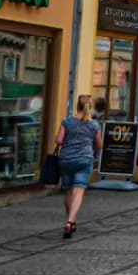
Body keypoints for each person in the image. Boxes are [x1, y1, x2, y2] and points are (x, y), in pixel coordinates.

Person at [56, 94, 102, 239]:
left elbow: (58, 140)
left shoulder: (66, 121)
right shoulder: (94, 125)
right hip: (84, 159)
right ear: (90, 106)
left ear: (77, 105)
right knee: (78, 192)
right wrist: (95, 152)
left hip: (66, 159)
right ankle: (70, 221)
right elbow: (99, 145)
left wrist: (69, 143)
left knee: (68, 191)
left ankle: (71, 221)